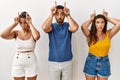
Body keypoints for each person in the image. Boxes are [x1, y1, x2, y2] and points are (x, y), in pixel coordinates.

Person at [42, 1, 78, 80]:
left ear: (64, 15)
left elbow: (75, 28)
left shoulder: (67, 26)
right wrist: (51, 14)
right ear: (55, 15)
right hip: (53, 62)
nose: (59, 16)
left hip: (67, 61)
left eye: (62, 14)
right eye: (57, 14)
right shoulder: (51, 27)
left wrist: (68, 14)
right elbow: (44, 28)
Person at [81, 10, 120, 80]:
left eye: (102, 22)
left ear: (105, 23)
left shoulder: (109, 34)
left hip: (104, 62)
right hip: (91, 61)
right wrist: (91, 19)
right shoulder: (90, 35)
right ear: (94, 24)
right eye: (98, 22)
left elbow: (119, 23)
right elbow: (83, 27)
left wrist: (107, 18)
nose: (100, 25)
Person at [0, 11, 40, 80]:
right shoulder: (16, 33)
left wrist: (30, 23)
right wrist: (14, 24)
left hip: (31, 62)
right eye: (21, 23)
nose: (23, 25)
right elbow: (2, 35)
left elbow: (36, 37)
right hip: (18, 62)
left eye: (25, 22)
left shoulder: (33, 32)